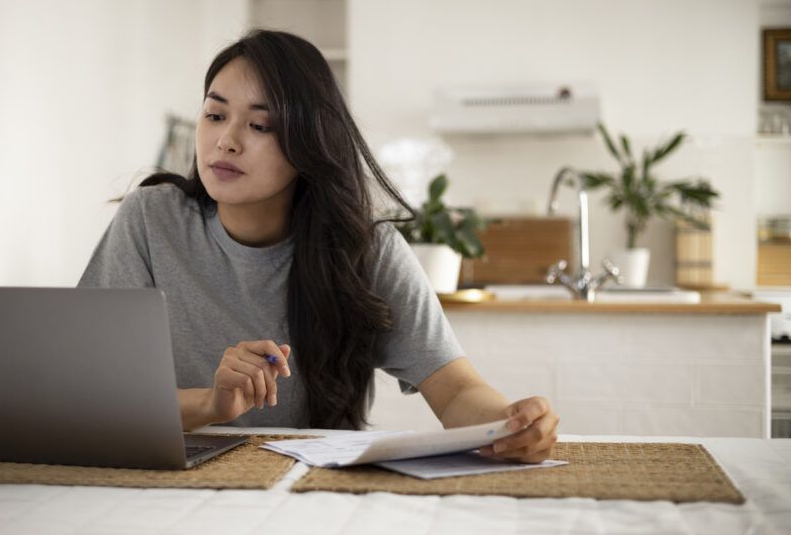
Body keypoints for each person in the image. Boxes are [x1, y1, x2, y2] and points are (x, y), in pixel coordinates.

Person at [78, 29, 559, 463]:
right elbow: (94, 392)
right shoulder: (150, 220)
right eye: (215, 114)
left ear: (309, 143)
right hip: (170, 484)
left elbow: (455, 394)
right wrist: (213, 404)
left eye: (260, 126)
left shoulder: (366, 251)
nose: (225, 140)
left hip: (314, 492)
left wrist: (513, 422)